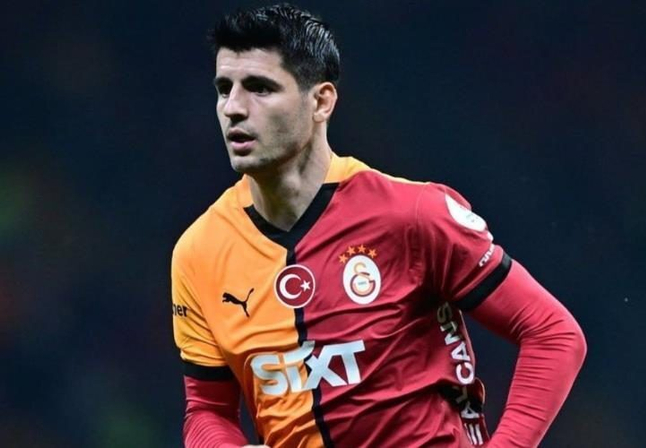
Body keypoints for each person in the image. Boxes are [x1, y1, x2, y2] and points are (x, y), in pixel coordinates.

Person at [171, 4, 587, 447]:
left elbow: (553, 334)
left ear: (321, 101)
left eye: (260, 88)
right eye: (224, 89)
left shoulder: (412, 215)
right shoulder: (199, 253)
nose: (233, 108)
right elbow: (207, 410)